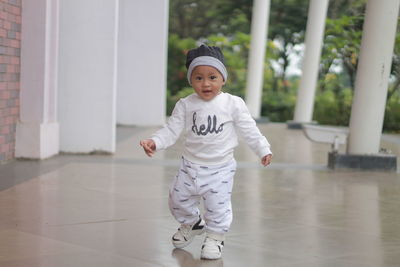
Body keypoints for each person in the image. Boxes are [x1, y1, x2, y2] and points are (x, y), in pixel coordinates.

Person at [140, 44, 272, 260]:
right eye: (198, 78)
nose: (206, 83)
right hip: (189, 165)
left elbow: (249, 129)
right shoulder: (185, 105)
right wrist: (154, 141)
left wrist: (263, 149)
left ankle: (215, 236)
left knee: (217, 206)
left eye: (212, 77)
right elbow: (171, 129)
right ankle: (192, 223)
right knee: (177, 199)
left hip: (220, 168)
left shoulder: (232, 104)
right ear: (191, 81)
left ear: (223, 79)